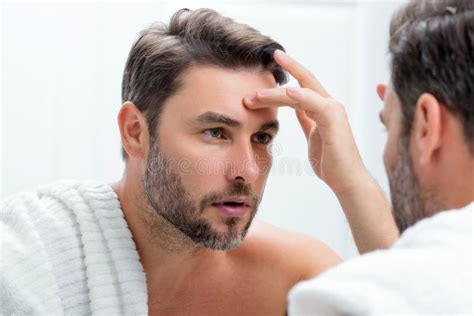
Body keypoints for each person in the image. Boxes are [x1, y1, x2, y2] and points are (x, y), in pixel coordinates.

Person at [0, 8, 341, 315]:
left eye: (261, 138)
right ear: (136, 132)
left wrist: (351, 185)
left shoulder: (293, 277)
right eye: (216, 133)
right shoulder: (30, 254)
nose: (248, 170)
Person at [244, 0, 473, 314]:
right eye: (215, 132)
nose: (245, 168)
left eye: (388, 127)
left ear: (426, 126)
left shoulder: (340, 300)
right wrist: (350, 181)